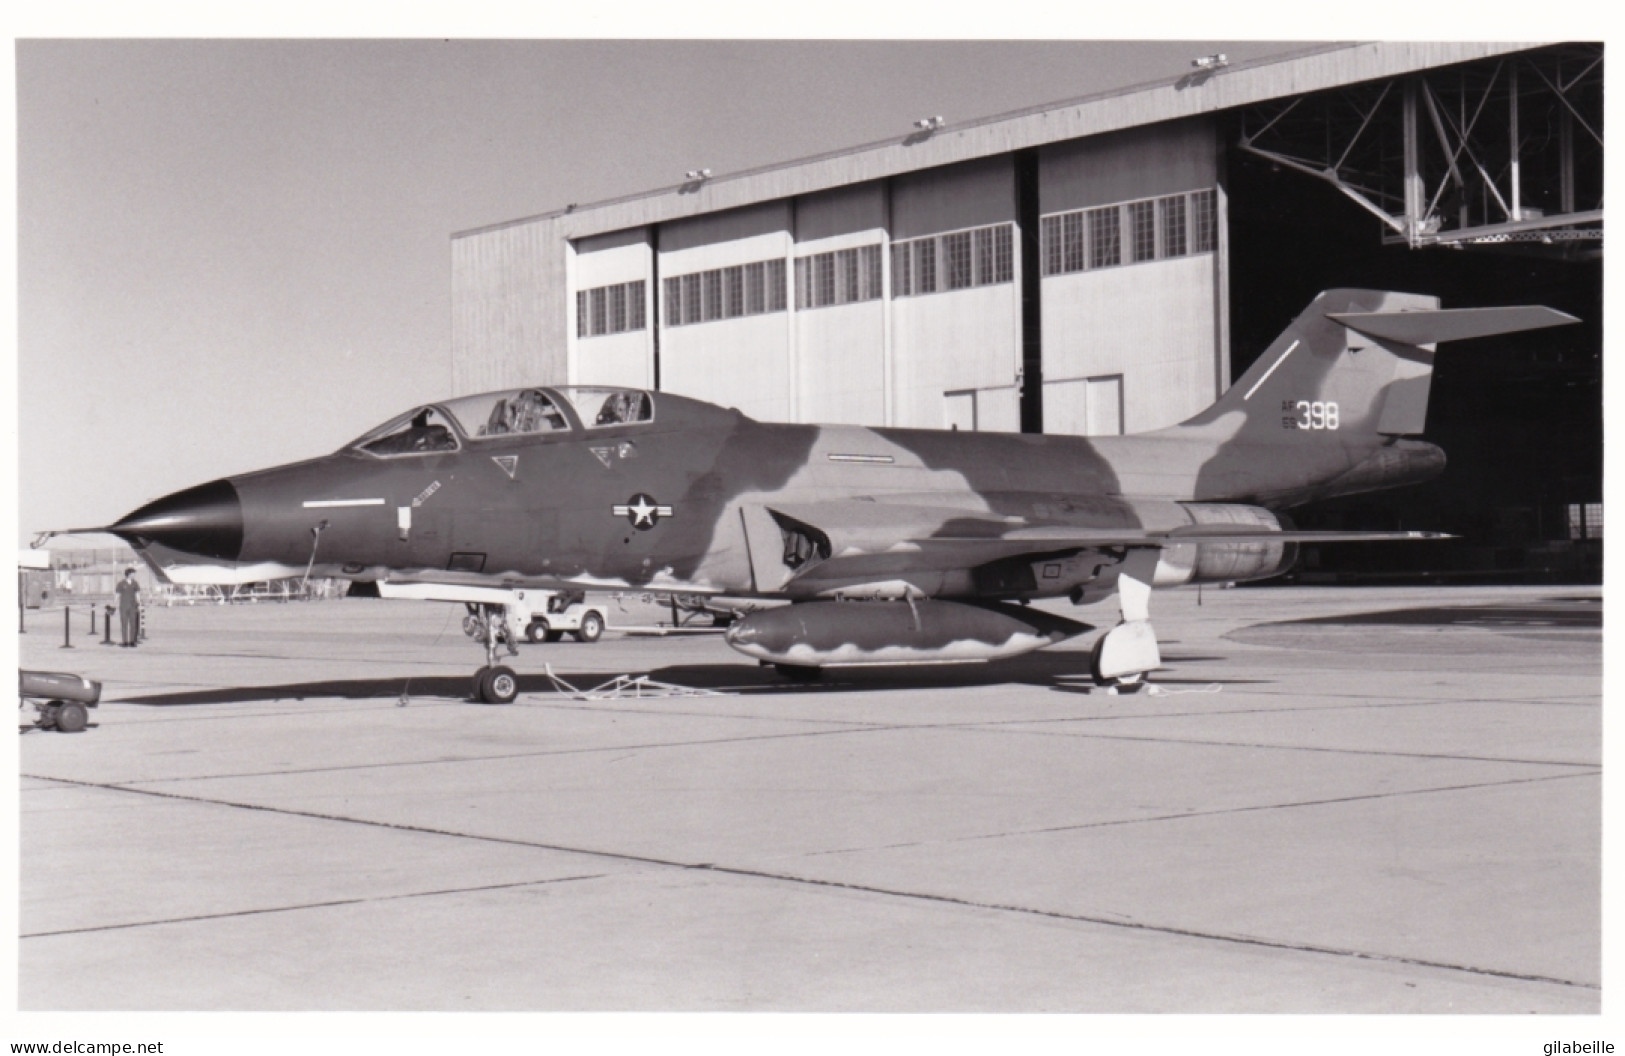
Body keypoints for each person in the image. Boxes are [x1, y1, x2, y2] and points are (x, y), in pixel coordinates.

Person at [115, 568, 141, 647]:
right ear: (128, 574)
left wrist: (139, 603)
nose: (134, 575)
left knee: (133, 624)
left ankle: (132, 641)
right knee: (124, 623)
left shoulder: (135, 583)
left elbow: (137, 594)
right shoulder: (121, 583)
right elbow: (117, 594)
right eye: (133, 573)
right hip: (123, 606)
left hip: (133, 606)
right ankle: (125, 641)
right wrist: (115, 604)